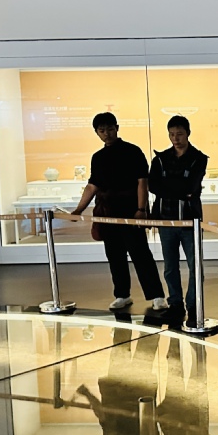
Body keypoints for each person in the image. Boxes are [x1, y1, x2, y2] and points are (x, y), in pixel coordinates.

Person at [71, 112, 166, 311]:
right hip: (107, 212)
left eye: (110, 129)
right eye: (102, 130)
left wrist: (141, 209)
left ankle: (157, 295)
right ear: (97, 132)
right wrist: (79, 209)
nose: (106, 133)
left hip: (131, 210)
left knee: (140, 253)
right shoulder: (98, 157)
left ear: (117, 128)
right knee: (114, 255)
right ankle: (122, 294)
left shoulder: (133, 151)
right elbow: (92, 185)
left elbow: (142, 182)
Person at [148, 115, 208, 325]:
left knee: (195, 265)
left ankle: (193, 305)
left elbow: (191, 187)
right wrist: (180, 189)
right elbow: (153, 186)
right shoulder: (160, 159)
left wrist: (170, 186)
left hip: (190, 221)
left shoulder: (198, 158)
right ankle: (175, 304)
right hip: (166, 221)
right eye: (172, 134)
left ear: (188, 133)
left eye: (180, 134)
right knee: (170, 266)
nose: (175, 138)